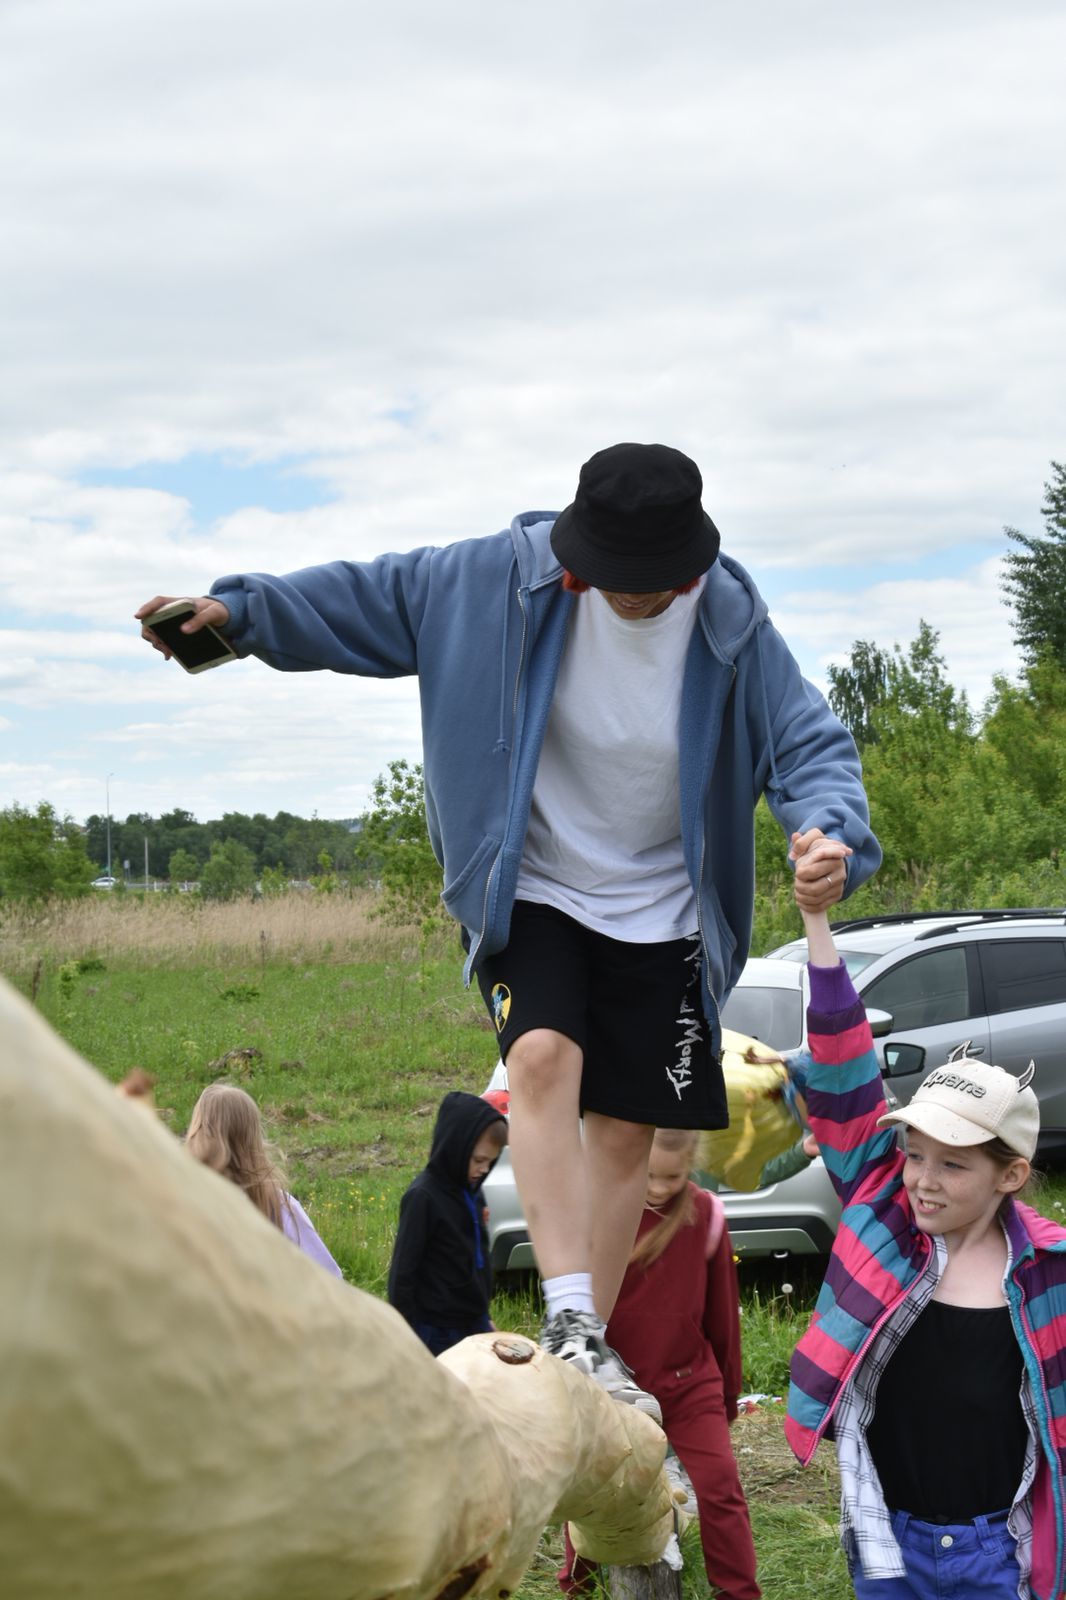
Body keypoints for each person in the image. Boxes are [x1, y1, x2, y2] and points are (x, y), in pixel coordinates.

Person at [138, 441, 880, 1407]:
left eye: (656, 585)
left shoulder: (732, 623)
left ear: (689, 565)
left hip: (665, 905)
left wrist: (829, 831)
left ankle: (588, 1345)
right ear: (579, 556)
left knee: (623, 1129)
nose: (636, 599)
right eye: (616, 582)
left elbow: (809, 742)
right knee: (539, 1057)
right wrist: (240, 613)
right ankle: (568, 1315)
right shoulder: (495, 581)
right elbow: (371, 598)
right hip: (535, 884)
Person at [784, 837, 1066, 1600]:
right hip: (890, 1538)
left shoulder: (1048, 1274)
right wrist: (817, 920)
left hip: (998, 1552)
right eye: (914, 1153)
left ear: (1010, 1175)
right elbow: (842, 1062)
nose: (923, 1181)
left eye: (953, 1163)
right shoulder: (881, 1212)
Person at [559, 1126, 759, 1598]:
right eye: (649, 1175)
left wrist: (727, 1397)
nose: (659, 1189)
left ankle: (739, 1593)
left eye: (673, 1177)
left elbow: (722, 1317)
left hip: (689, 1383)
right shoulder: (598, 1209)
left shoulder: (705, 1215)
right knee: (594, 1489)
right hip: (616, 1383)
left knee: (719, 1488)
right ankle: (578, 1588)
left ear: (691, 1164)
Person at [387, 1090, 508, 1355]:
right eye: (479, 1160)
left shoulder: (472, 1192)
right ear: (456, 1146)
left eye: (491, 1161)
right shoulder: (423, 1198)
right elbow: (402, 1274)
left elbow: (476, 1259)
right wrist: (405, 1335)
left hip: (472, 1325)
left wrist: (482, 1316)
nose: (484, 1169)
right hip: (434, 1333)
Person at [185, 1082, 343, 1277]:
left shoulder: (180, 1204)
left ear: (196, 1135)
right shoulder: (280, 1207)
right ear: (252, 1138)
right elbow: (329, 1278)